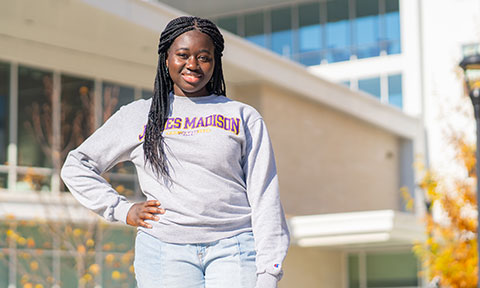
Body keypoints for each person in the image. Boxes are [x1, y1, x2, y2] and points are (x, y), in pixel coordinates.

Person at [61, 16, 289, 288]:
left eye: (204, 57)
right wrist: (122, 210)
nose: (193, 64)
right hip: (163, 251)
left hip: (235, 248)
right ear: (166, 58)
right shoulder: (139, 115)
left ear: (215, 63)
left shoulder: (242, 116)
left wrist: (269, 271)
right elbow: (76, 166)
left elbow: (265, 195)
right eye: (183, 55)